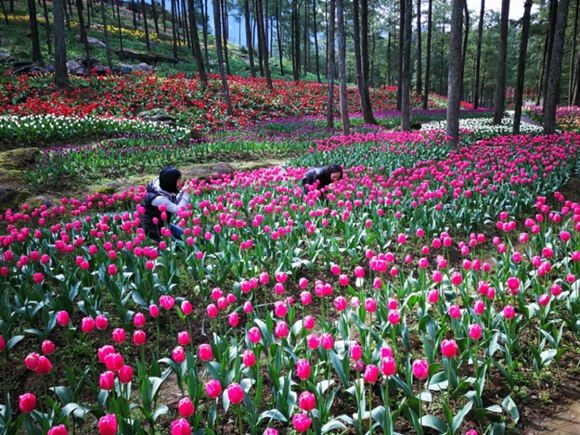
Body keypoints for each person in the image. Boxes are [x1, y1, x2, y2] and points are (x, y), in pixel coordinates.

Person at [140, 167, 193, 243]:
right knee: (178, 245)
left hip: (163, 224)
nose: (179, 183)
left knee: (183, 235)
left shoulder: (162, 189)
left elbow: (174, 202)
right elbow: (179, 210)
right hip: (153, 229)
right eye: (178, 181)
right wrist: (186, 194)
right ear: (170, 182)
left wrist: (183, 191)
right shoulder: (159, 199)